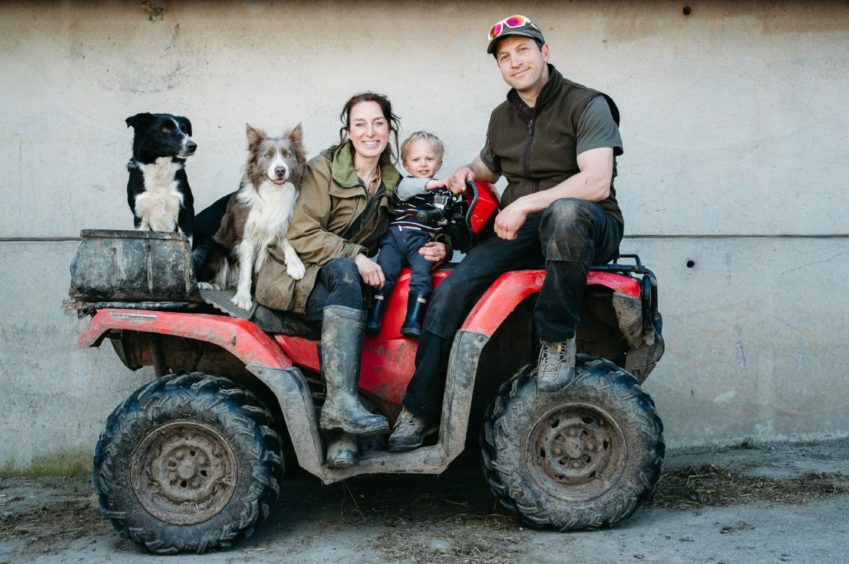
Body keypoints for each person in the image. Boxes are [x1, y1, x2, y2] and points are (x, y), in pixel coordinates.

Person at [388, 15, 625, 451]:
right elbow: (488, 166)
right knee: (451, 291)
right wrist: (464, 170)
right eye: (504, 56)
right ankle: (419, 411)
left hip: (587, 223)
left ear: (544, 52)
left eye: (523, 50)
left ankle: (556, 339)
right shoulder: (502, 117)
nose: (514, 61)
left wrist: (522, 203)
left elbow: (596, 183)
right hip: (524, 229)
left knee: (566, 212)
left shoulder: (587, 103)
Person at [253, 92, 449, 467]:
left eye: (377, 123)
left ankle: (344, 426)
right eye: (360, 124)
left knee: (359, 288)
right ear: (347, 132)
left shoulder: (394, 179)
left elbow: (417, 221)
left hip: (345, 282)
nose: (369, 132)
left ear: (389, 130)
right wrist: (356, 256)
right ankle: (342, 427)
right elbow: (300, 233)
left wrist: (440, 244)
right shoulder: (322, 169)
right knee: (346, 274)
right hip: (297, 275)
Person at [366, 131, 452, 338]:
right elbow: (410, 188)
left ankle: (412, 321)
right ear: (406, 165)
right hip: (395, 238)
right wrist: (436, 184)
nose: (423, 164)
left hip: (421, 242)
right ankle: (374, 318)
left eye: (429, 159)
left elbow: (443, 217)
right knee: (385, 273)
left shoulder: (443, 192)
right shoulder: (405, 184)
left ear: (439, 164)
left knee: (422, 276)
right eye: (416, 159)